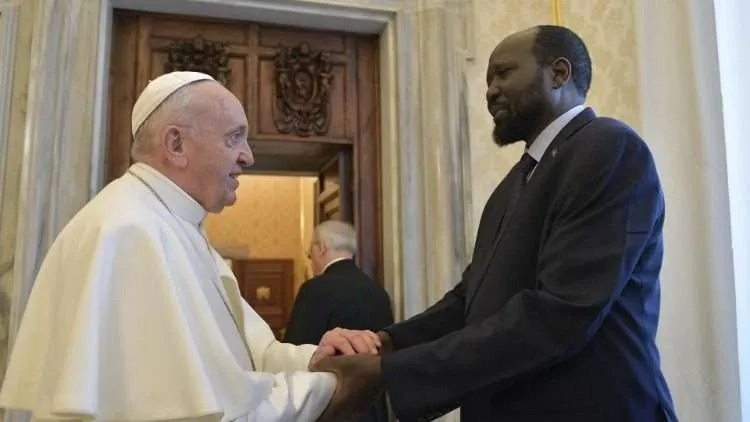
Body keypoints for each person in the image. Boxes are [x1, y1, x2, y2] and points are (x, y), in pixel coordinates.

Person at [311, 25, 678, 422]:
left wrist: (389, 373)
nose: (489, 90)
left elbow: (560, 314)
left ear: (558, 73)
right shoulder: (513, 184)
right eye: (488, 79)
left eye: (504, 73)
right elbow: (468, 301)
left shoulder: (609, 148)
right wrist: (386, 344)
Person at [0, 71, 381, 422]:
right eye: (234, 137)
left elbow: (251, 357)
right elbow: (211, 413)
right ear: (176, 144)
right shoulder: (131, 232)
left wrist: (315, 358)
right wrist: (336, 383)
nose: (248, 156)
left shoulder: (177, 227)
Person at [284, 220, 394, 422]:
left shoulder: (314, 289)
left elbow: (295, 348)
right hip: (375, 407)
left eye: (310, 255)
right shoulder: (378, 291)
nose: (311, 262)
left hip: (333, 405)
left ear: (321, 248)